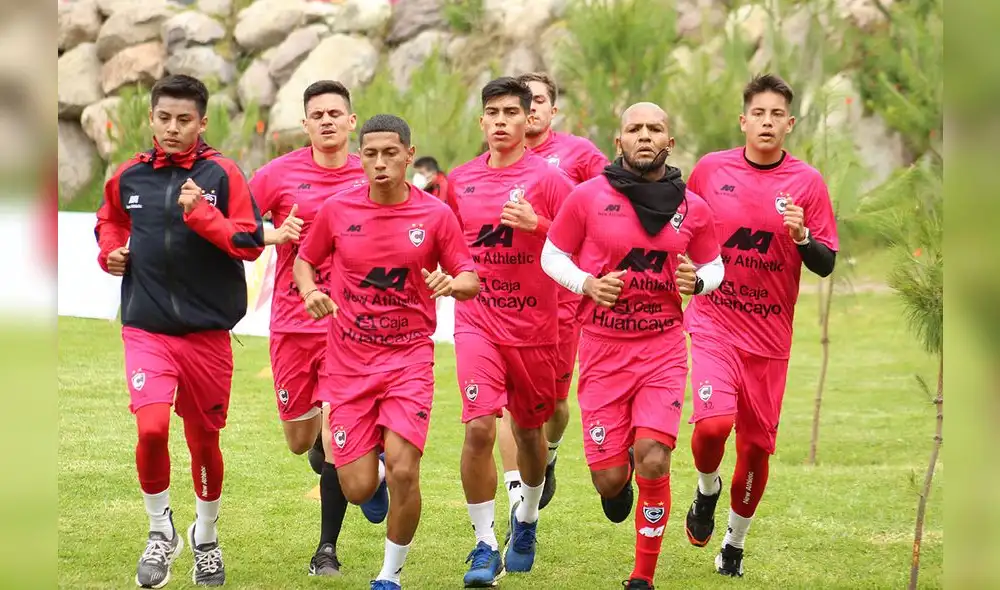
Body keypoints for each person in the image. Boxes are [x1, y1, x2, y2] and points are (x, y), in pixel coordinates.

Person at [540, 102, 723, 589]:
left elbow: (714, 267)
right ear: (618, 141)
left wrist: (697, 281)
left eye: (654, 128)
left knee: (654, 457)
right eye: (634, 128)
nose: (645, 135)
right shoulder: (586, 198)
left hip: (662, 349)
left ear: (670, 142)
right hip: (603, 349)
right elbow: (551, 255)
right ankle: (616, 481)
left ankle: (642, 576)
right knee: (610, 480)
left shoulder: (694, 208)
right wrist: (586, 284)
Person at [293, 114, 480, 590]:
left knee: (404, 468)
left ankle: (389, 575)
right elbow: (304, 261)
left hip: (408, 361)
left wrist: (450, 283)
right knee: (357, 487)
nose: (380, 163)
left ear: (409, 155)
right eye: (371, 154)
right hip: (349, 363)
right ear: (361, 158)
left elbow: (470, 277)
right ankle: (370, 472)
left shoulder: (435, 215)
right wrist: (310, 290)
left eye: (390, 153)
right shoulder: (338, 210)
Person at [94, 74, 265, 588]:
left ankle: (205, 536)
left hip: (208, 336)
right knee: (150, 429)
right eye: (164, 118)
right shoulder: (129, 176)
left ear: (202, 122)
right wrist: (110, 252)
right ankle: (159, 530)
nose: (172, 128)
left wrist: (203, 214)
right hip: (146, 329)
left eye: (184, 119)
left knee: (204, 442)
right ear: (151, 118)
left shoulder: (223, 173)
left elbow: (250, 242)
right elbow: (109, 221)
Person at [682, 73, 839, 577]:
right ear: (743, 120)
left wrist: (802, 236)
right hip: (714, 322)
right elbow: (681, 228)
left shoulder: (807, 183)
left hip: (769, 339)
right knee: (712, 425)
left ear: (789, 124)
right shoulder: (711, 170)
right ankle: (706, 489)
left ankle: (734, 543)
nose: (767, 122)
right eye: (759, 113)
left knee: (754, 448)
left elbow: (825, 263)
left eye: (777, 115)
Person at [249, 79, 386, 576]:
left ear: (351, 121)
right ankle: (342, 456)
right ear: (304, 124)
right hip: (292, 324)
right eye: (317, 114)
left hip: (351, 326)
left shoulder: (370, 171)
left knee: (335, 428)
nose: (327, 121)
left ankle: (326, 549)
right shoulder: (277, 174)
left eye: (335, 113)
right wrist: (273, 233)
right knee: (300, 437)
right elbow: (233, 227)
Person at [447, 77, 574, 588]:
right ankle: (484, 543)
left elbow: (586, 244)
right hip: (477, 320)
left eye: (511, 113)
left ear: (528, 119)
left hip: (534, 328)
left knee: (528, 434)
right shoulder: (460, 180)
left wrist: (538, 224)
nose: (501, 121)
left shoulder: (550, 180)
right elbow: (446, 244)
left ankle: (527, 518)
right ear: (482, 121)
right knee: (479, 427)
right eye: (493, 113)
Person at [496, 72, 611, 513]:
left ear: (551, 109)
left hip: (561, 301)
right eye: (522, 101)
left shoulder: (579, 155)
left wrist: (538, 224)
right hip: (508, 303)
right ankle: (517, 502)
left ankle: (551, 453)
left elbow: (603, 216)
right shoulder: (495, 160)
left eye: (539, 100)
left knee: (556, 404)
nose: (531, 109)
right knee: (507, 404)